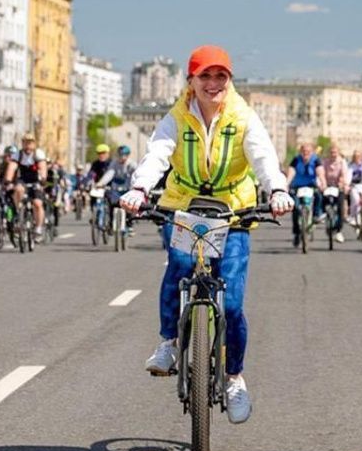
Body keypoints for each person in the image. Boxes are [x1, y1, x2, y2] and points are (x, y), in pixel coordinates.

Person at [119, 45, 292, 424]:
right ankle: (168, 343)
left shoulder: (243, 117)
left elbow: (263, 156)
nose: (213, 84)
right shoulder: (176, 118)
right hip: (185, 206)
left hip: (233, 211)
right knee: (179, 267)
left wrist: (277, 190)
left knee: (231, 303)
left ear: (229, 81)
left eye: (220, 76)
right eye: (205, 76)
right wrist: (140, 188)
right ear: (191, 81)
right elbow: (158, 154)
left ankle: (234, 379)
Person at [4, 133, 47, 238]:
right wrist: (8, 180)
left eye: (30, 143)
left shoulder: (38, 154)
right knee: (18, 189)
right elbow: (12, 168)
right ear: (22, 144)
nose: (28, 146)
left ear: (34, 144)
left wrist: (42, 180)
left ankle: (38, 227)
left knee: (37, 203)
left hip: (36, 181)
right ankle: (19, 212)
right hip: (23, 179)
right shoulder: (18, 154)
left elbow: (43, 168)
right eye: (25, 143)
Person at [286, 142, 326, 246]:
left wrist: (323, 183)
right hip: (297, 186)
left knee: (318, 195)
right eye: (303, 151)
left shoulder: (316, 160)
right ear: (300, 152)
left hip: (311, 185)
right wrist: (286, 184)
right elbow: (291, 172)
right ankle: (296, 233)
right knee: (295, 208)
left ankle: (316, 215)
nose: (305, 153)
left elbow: (320, 172)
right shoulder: (296, 160)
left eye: (308, 151)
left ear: (312, 152)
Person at [321, 143, 350, 242]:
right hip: (327, 186)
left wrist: (343, 184)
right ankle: (322, 215)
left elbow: (344, 174)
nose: (333, 154)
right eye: (331, 152)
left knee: (340, 209)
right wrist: (322, 184)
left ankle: (338, 230)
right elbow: (321, 174)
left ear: (338, 153)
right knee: (322, 199)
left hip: (338, 187)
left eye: (335, 152)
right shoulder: (325, 162)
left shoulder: (342, 162)